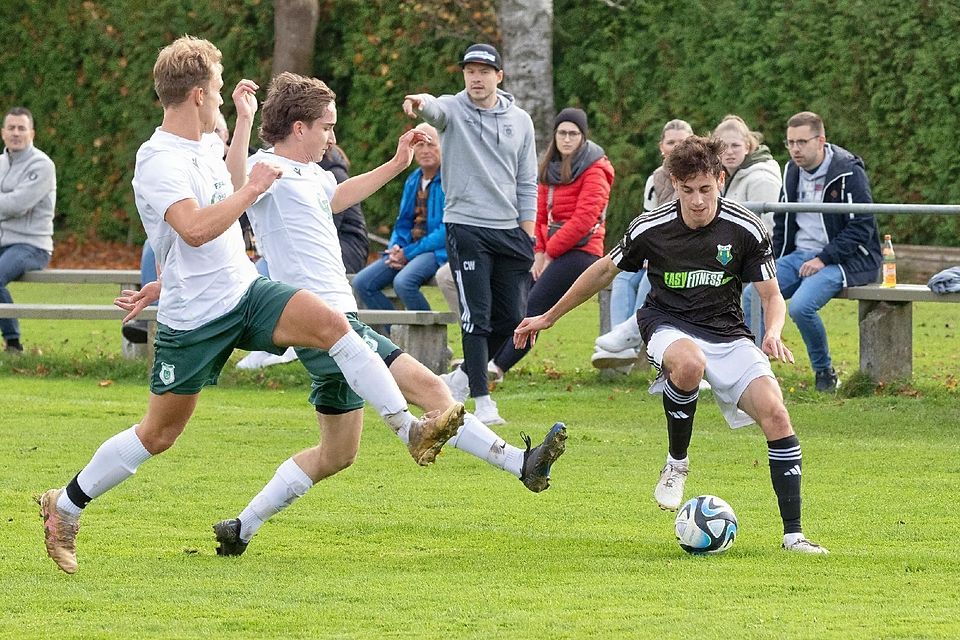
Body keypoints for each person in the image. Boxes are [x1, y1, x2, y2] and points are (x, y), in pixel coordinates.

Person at [37, 36, 465, 575]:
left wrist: (240, 126)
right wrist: (249, 192)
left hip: (245, 292)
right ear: (196, 94)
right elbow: (193, 229)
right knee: (159, 434)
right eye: (217, 89)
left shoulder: (208, 142)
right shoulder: (157, 160)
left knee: (334, 323)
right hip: (196, 319)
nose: (220, 96)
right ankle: (66, 505)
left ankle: (408, 427)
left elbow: (216, 221)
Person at [212, 72, 567, 555]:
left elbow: (336, 197)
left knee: (337, 454)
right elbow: (236, 182)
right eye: (327, 128)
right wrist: (244, 118)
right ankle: (518, 463)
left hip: (337, 322)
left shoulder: (314, 174)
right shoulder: (264, 169)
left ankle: (241, 527)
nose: (332, 138)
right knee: (435, 391)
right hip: (319, 322)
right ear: (299, 128)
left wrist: (397, 164)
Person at [515, 136, 829, 554]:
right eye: (687, 190)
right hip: (668, 323)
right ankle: (676, 464)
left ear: (720, 179)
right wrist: (549, 316)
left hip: (728, 332)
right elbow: (603, 271)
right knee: (688, 364)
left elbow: (772, 296)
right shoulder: (651, 227)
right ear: (673, 185)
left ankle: (794, 536)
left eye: (705, 189)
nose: (697, 201)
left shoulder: (745, 227)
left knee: (776, 413)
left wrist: (772, 332)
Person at [403, 43, 538, 426]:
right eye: (470, 71)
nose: (476, 78)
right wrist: (422, 103)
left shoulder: (520, 121)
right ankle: (482, 399)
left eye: (484, 71)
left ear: (499, 76)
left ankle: (463, 378)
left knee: (512, 318)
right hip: (466, 227)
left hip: (510, 229)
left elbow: (528, 180)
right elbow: (436, 109)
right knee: (475, 316)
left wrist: (528, 232)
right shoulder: (454, 110)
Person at [488, 107, 612, 382]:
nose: (567, 139)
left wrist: (550, 254)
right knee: (513, 299)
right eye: (562, 133)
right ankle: (486, 357)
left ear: (583, 137)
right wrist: (539, 251)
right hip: (548, 253)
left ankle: (498, 366)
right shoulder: (549, 168)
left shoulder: (596, 168)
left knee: (535, 304)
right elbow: (540, 214)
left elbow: (584, 219)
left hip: (583, 253)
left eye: (573, 133)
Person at [769, 111, 880, 392]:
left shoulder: (848, 171)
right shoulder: (790, 170)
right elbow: (783, 221)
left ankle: (825, 373)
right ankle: (752, 371)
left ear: (821, 141)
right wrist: (773, 261)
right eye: (790, 142)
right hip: (799, 256)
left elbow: (862, 227)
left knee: (801, 307)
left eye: (802, 142)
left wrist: (824, 258)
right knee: (751, 295)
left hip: (846, 259)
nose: (795, 149)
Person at [592, 118, 693, 369]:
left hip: (685, 256)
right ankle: (620, 347)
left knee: (650, 279)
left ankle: (635, 342)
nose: (676, 147)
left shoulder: (700, 176)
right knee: (624, 275)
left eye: (683, 142)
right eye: (671, 142)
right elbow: (649, 222)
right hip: (658, 249)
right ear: (662, 147)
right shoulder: (656, 179)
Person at [352, 123, 446, 313]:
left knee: (403, 283)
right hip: (408, 249)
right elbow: (403, 222)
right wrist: (395, 248)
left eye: (432, 145)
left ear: (442, 146)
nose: (425, 150)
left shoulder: (450, 179)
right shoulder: (413, 179)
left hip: (437, 252)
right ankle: (394, 338)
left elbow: (445, 232)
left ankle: (430, 341)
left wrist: (408, 253)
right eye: (420, 145)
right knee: (362, 283)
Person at [0, 106, 56, 354]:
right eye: (11, 128)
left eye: (21, 128)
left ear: (31, 133)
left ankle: (13, 344)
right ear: (3, 133)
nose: (16, 133)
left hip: (32, 246)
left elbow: (17, 205)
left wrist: (10, 201)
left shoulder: (43, 165)